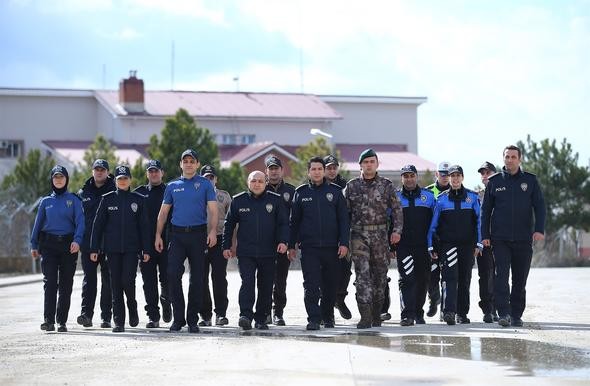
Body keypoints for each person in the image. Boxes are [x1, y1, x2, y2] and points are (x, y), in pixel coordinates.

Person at [481, 145, 545, 328]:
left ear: (520, 159)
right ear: (503, 159)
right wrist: (485, 234)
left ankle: (516, 314)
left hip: (524, 239)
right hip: (499, 239)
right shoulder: (494, 181)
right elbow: (486, 211)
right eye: (507, 157)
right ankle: (504, 313)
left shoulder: (530, 181)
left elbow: (540, 206)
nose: (510, 160)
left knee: (519, 279)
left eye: (513, 157)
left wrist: (539, 229)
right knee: (501, 277)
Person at [155, 149, 218, 333]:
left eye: (192, 161)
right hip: (177, 236)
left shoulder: (205, 184)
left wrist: (213, 231)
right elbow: (163, 213)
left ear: (197, 164)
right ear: (180, 164)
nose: (189, 163)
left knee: (197, 278)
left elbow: (214, 211)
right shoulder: (172, 186)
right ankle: (178, 318)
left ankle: (192, 320)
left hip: (198, 235)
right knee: (173, 274)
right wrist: (158, 235)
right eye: (185, 161)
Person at [288, 157, 350, 330]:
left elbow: (344, 220)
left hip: (332, 248)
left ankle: (327, 317)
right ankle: (314, 319)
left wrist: (344, 243)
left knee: (331, 286)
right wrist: (291, 245)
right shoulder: (300, 193)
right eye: (313, 169)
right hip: (309, 248)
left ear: (324, 171)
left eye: (319, 169)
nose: (316, 172)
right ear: (308, 172)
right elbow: (294, 222)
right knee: (311, 285)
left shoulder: (336, 192)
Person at [344, 148, 403, 329]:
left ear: (377, 164)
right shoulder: (352, 186)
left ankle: (377, 314)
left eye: (372, 162)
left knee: (380, 277)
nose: (368, 165)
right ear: (360, 165)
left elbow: (397, 210)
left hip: (380, 236)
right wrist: (343, 239)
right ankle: (365, 316)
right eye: (365, 162)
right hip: (358, 236)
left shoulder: (386, 185)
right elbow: (343, 214)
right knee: (362, 276)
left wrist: (397, 231)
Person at [223, 171, 288, 330]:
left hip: (268, 251)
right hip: (246, 253)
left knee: (265, 286)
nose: (257, 184)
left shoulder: (275, 200)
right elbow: (229, 224)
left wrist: (283, 241)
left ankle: (261, 318)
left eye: (260, 181)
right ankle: (245, 315)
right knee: (248, 283)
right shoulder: (238, 201)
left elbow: (283, 223)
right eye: (253, 181)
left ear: (265, 182)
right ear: (248, 182)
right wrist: (226, 246)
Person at [90, 165, 151, 333]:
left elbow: (144, 227)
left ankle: (132, 307)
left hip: (132, 250)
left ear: (130, 180)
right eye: (119, 179)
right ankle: (119, 321)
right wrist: (94, 248)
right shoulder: (107, 199)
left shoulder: (138, 200)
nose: (122, 181)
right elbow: (97, 226)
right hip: (112, 250)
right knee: (115, 284)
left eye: (125, 178)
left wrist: (146, 250)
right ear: (115, 181)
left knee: (127, 281)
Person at [31, 165, 84, 332]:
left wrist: (77, 241)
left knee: (66, 284)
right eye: (56, 177)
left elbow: (81, 223)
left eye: (61, 177)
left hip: (68, 246)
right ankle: (48, 320)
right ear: (52, 180)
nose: (59, 180)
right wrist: (34, 244)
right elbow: (37, 225)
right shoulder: (46, 202)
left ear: (66, 179)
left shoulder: (74, 200)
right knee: (50, 283)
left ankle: (61, 321)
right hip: (49, 246)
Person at [427, 165, 482, 325]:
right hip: (448, 246)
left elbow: (479, 222)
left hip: (467, 247)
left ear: (462, 178)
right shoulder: (442, 199)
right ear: (449, 179)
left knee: (465, 279)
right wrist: (431, 245)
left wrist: (478, 244)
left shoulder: (472, 198)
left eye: (458, 175)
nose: (455, 179)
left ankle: (462, 314)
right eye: (452, 176)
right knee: (449, 278)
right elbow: (433, 226)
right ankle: (449, 312)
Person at [76, 159, 115, 329]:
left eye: (103, 169)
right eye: (97, 169)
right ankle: (86, 315)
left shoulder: (115, 191)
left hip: (109, 244)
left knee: (108, 281)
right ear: (92, 171)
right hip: (88, 244)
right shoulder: (83, 193)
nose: (99, 172)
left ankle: (106, 316)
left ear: (107, 172)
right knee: (89, 280)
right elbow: (77, 219)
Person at [395, 165, 435, 326]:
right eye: (406, 176)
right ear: (402, 178)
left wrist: (434, 245)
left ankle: (418, 313)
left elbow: (435, 222)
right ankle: (407, 315)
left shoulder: (429, 197)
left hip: (423, 246)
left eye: (412, 176)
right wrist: (392, 247)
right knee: (406, 279)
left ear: (416, 177)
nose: (409, 179)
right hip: (404, 246)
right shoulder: (395, 197)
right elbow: (390, 222)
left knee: (423, 280)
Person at [134, 159, 171, 328]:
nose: (154, 174)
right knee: (149, 282)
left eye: (157, 171)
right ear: (147, 174)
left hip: (168, 243)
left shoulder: (170, 191)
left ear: (162, 173)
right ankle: (153, 316)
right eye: (151, 171)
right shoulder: (139, 193)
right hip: (146, 245)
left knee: (168, 279)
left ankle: (166, 300)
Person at [198, 165, 232, 327]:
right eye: (205, 177)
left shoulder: (224, 196)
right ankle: (205, 315)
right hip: (199, 241)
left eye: (211, 177)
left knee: (219, 278)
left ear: (216, 179)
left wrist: (232, 243)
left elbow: (232, 221)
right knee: (200, 278)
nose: (209, 180)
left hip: (219, 240)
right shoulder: (196, 195)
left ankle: (220, 314)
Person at [264, 154, 295, 326]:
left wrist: (292, 244)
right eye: (271, 168)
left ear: (282, 171)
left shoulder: (291, 191)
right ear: (266, 171)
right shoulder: (260, 188)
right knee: (264, 278)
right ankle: (265, 310)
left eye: (276, 168)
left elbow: (296, 220)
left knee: (280, 279)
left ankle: (278, 312)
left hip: (284, 242)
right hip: (264, 242)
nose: (274, 171)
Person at [323, 154, 352, 320]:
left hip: (343, 234)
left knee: (345, 272)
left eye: (334, 167)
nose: (331, 171)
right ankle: (327, 310)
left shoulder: (345, 186)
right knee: (325, 273)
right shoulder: (317, 185)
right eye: (329, 168)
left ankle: (339, 299)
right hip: (323, 236)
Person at [425, 161, 451, 320]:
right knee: (431, 275)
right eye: (442, 174)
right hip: (432, 240)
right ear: (437, 174)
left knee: (448, 276)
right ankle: (434, 299)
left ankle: (445, 310)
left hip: (449, 239)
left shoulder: (456, 191)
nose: (446, 177)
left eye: (448, 174)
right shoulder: (428, 192)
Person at [476, 161, 499, 323]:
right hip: (483, 242)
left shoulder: (502, 193)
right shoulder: (477, 196)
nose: (485, 176)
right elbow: (474, 221)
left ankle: (500, 308)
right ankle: (488, 310)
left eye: (488, 172)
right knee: (485, 276)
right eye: (482, 173)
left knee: (500, 276)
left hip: (501, 241)